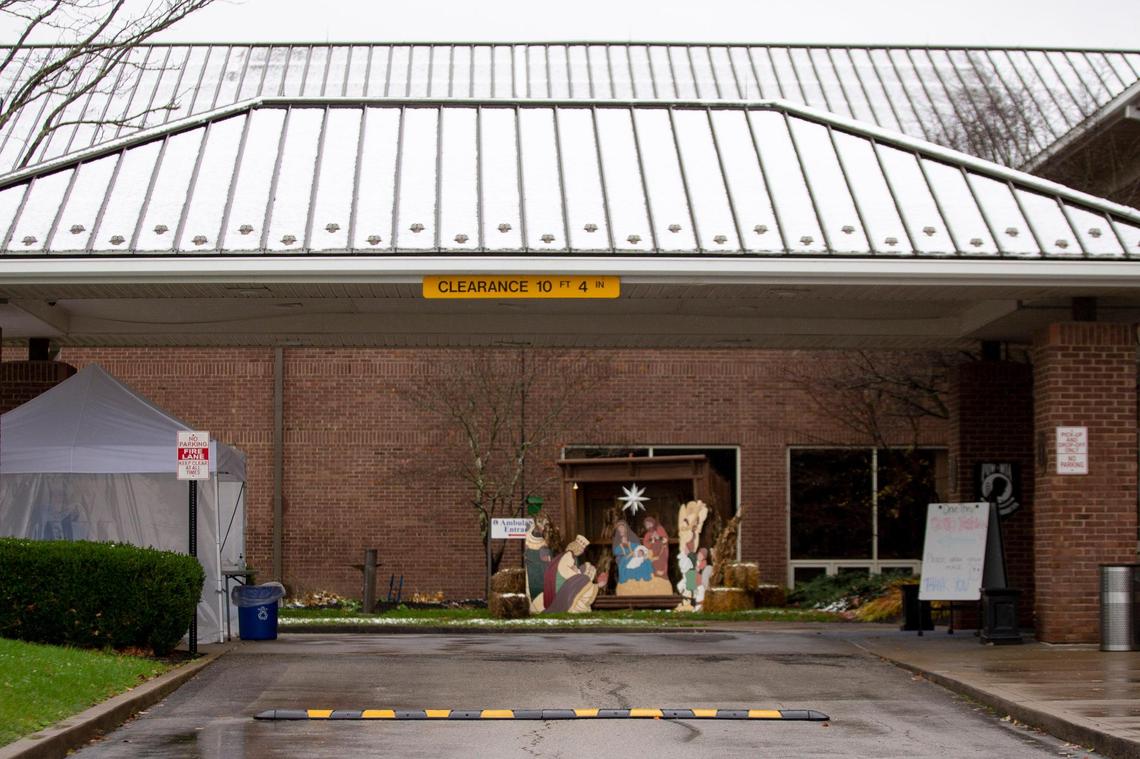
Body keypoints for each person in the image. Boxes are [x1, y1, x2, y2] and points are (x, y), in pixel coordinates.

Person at [543, 535, 598, 613]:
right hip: (562, 583)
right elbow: (564, 571)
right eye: (581, 549)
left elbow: (574, 569)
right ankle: (575, 606)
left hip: (568, 580)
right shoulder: (568, 556)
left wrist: (578, 572)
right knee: (584, 580)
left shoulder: (573, 557)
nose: (582, 551)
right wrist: (578, 574)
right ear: (576, 547)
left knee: (584, 579)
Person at [612, 520, 653, 585]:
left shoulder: (632, 538)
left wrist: (636, 551)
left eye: (622, 528)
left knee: (646, 562)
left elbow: (638, 547)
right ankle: (630, 581)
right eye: (619, 529)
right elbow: (616, 552)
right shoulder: (618, 542)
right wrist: (624, 548)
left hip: (635, 555)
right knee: (625, 564)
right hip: (624, 558)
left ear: (626, 529)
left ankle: (643, 581)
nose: (621, 530)